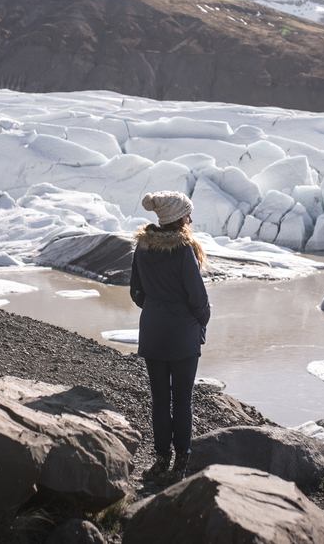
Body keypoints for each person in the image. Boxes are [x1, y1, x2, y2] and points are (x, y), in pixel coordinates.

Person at [129, 190, 210, 481]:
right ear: (178, 218)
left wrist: (154, 309)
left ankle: (161, 458)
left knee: (160, 399)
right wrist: (200, 322)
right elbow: (197, 297)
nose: (190, 218)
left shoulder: (143, 247)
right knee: (183, 400)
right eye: (188, 213)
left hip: (153, 332)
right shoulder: (183, 250)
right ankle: (181, 462)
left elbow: (135, 291)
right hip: (183, 336)